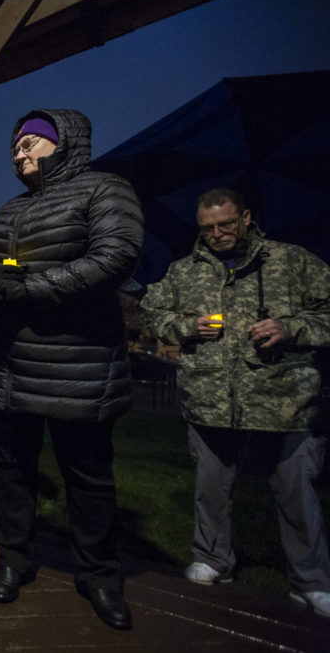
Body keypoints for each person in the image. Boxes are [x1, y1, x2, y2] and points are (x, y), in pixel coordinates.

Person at [0, 111, 142, 629]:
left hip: (80, 364)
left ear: (62, 142)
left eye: (29, 144)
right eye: (15, 149)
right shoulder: (10, 209)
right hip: (12, 365)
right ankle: (14, 559)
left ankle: (98, 576)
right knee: (12, 471)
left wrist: (35, 288)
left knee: (87, 477)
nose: (19, 155)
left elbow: (117, 254)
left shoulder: (104, 190)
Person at [141, 188, 330, 618]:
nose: (217, 233)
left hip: (282, 400)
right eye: (207, 228)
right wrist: (188, 326)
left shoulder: (289, 260)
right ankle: (212, 559)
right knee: (211, 488)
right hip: (209, 401)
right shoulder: (183, 270)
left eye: (225, 223)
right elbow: (154, 312)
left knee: (296, 492)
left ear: (246, 217)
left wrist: (290, 328)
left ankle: (311, 581)